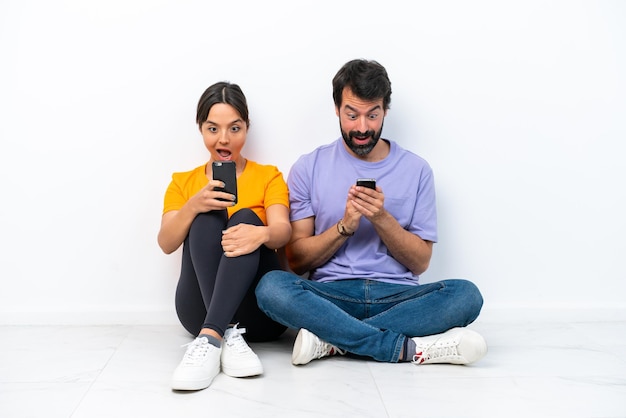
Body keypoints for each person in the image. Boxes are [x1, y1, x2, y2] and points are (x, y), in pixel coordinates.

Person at [255, 59, 487, 367]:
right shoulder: (308, 167)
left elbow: (420, 262)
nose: (362, 127)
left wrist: (381, 219)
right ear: (337, 109)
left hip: (398, 296)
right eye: (352, 114)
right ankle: (400, 347)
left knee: (466, 296)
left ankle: (333, 340)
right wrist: (345, 226)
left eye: (372, 115)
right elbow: (297, 261)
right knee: (271, 287)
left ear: (385, 111)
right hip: (330, 297)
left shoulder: (416, 170)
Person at [158, 81, 291, 391]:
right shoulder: (183, 182)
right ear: (201, 129)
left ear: (246, 127)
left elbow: (283, 232)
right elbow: (166, 243)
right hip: (198, 309)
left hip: (259, 314)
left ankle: (213, 336)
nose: (224, 139)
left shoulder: (268, 175)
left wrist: (260, 233)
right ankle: (221, 333)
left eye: (235, 128)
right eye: (213, 128)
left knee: (244, 217)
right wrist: (193, 206)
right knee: (207, 215)